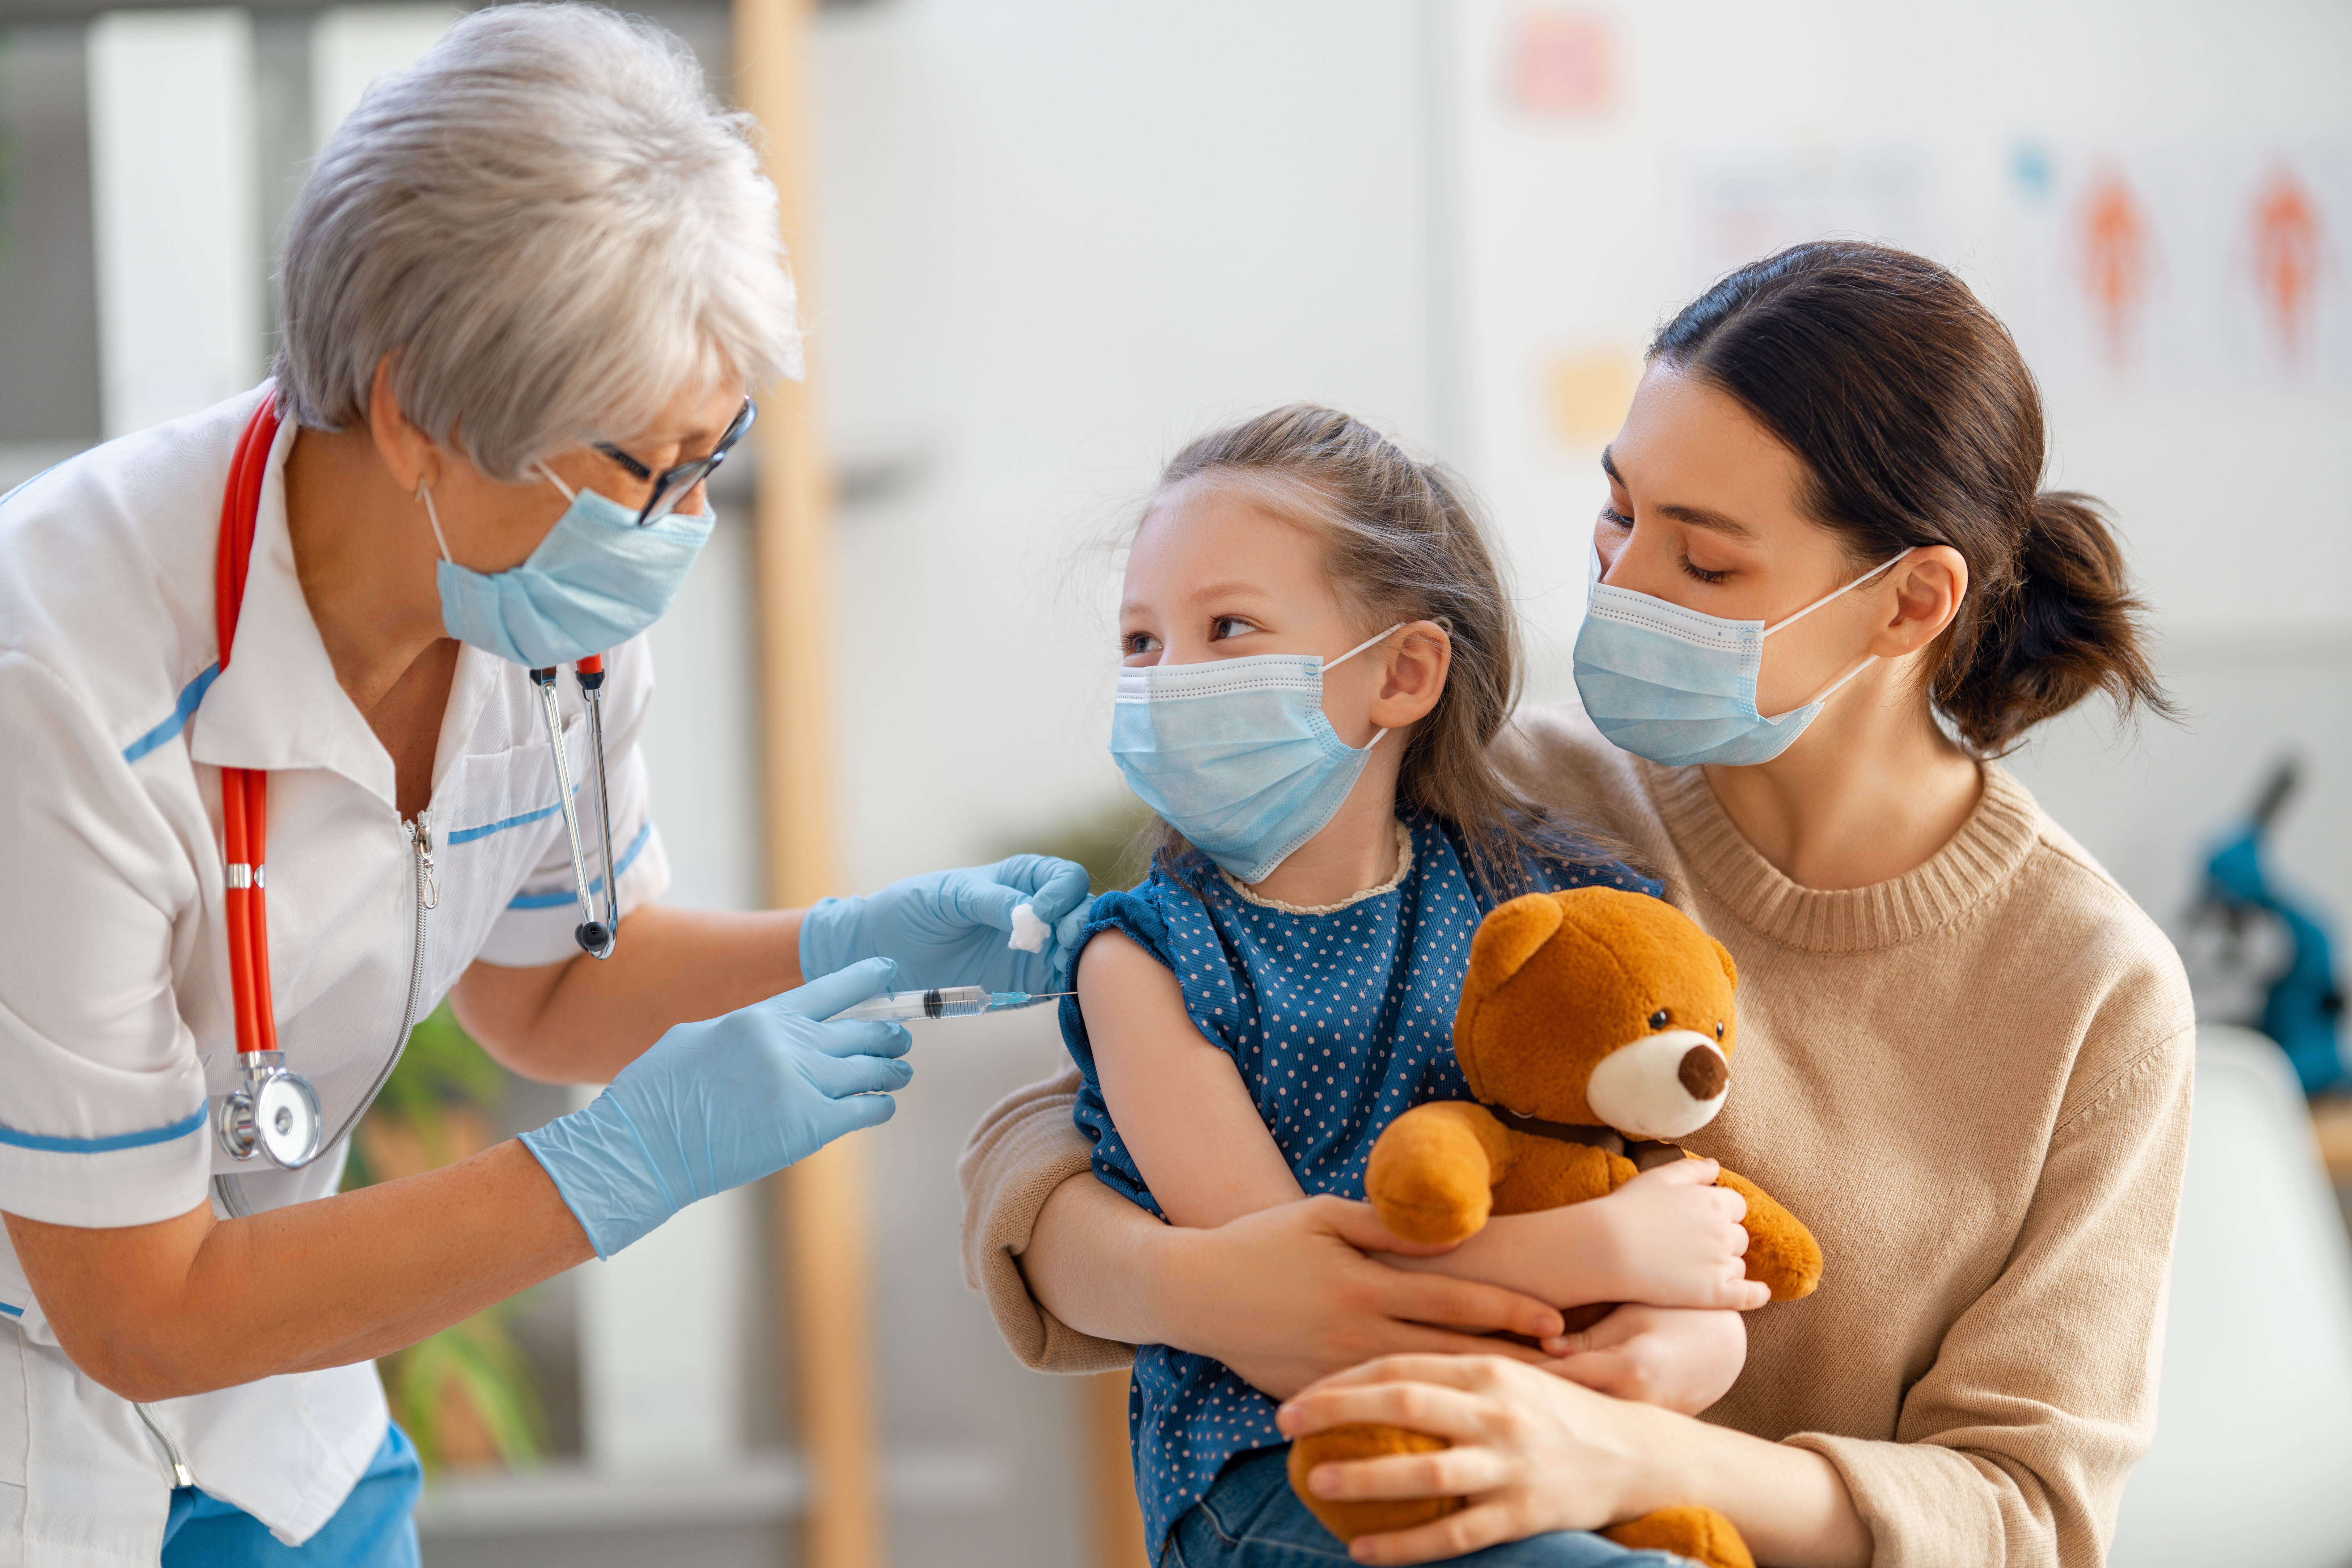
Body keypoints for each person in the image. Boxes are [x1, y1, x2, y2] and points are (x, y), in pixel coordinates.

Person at [0, 9, 1084, 1563]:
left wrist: (861, 943)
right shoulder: (57, 680)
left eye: (711, 457)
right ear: (416, 416)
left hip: (285, 1421)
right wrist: (610, 1168)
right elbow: (139, 1306)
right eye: (641, 468)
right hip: (46, 1416)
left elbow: (557, 985)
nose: (675, 524)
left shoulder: (543, 610)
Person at [959, 242, 2192, 1567]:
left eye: (1703, 564)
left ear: (1907, 602)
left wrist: (1635, 1448)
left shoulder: (2091, 994)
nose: (1622, 584)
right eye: (1618, 514)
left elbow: (2028, 1518)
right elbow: (1077, 1111)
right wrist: (1203, 1286)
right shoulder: (1516, 796)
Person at [1064, 406, 1766, 1567]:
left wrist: (1691, 1345)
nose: (1168, 681)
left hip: (1549, 1449)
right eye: (1142, 644)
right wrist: (1603, 1254)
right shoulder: (1141, 959)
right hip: (1290, 1469)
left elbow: (1674, 1214)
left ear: (1402, 671)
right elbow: (1292, 1292)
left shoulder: (1545, 901)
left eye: (1225, 627)